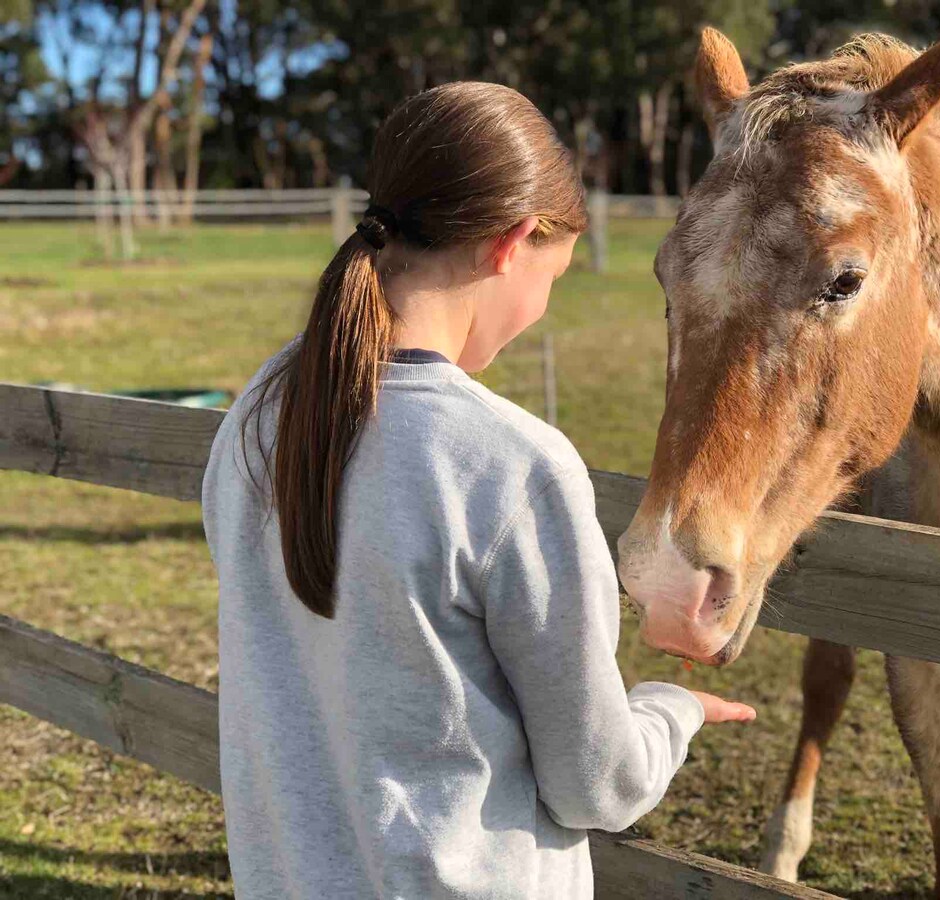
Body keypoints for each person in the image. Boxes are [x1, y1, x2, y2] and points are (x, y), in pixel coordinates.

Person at [201, 81, 755, 900]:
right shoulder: (515, 468)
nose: (540, 309)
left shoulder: (258, 412)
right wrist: (670, 711)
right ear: (512, 242)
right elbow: (596, 783)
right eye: (553, 278)